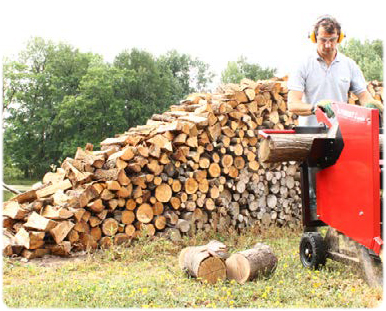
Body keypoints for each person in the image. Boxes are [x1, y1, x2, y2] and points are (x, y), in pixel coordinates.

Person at [287, 14, 383, 126]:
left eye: (332, 40)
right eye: (323, 40)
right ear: (314, 38)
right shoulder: (303, 65)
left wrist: (370, 104)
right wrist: (316, 108)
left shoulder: (349, 65)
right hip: (310, 133)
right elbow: (293, 104)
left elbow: (363, 95)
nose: (328, 45)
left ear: (339, 38)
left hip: (340, 132)